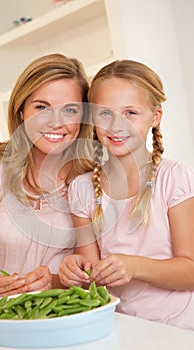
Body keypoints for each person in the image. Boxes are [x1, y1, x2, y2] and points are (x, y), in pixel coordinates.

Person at [59, 59, 194, 330]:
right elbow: (92, 277)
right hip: (120, 327)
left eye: (130, 113)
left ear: (155, 117)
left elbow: (190, 270)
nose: (116, 126)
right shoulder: (82, 189)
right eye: (105, 114)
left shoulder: (174, 178)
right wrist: (74, 270)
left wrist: (133, 266)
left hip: (180, 328)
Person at [0, 53, 93, 298]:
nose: (55, 122)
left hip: (60, 314)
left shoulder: (91, 179)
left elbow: (90, 272)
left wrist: (52, 281)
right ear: (21, 110)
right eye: (42, 107)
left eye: (70, 110)